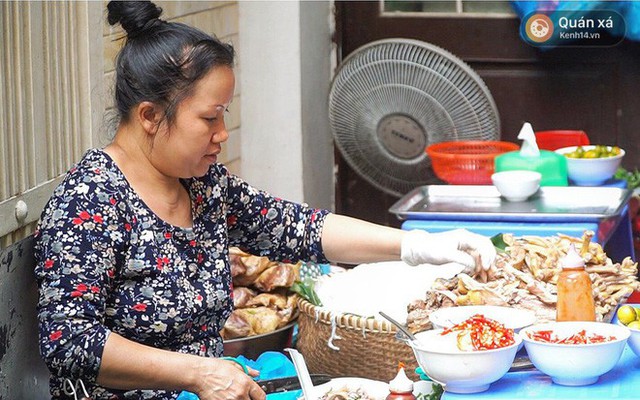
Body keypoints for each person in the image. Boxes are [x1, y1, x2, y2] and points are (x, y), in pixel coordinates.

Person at [34, 1, 496, 399]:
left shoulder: (203, 185)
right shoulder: (89, 202)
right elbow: (70, 340)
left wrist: (418, 247)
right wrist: (198, 373)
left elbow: (301, 228)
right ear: (151, 116)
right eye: (209, 118)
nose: (221, 135)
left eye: (224, 116)